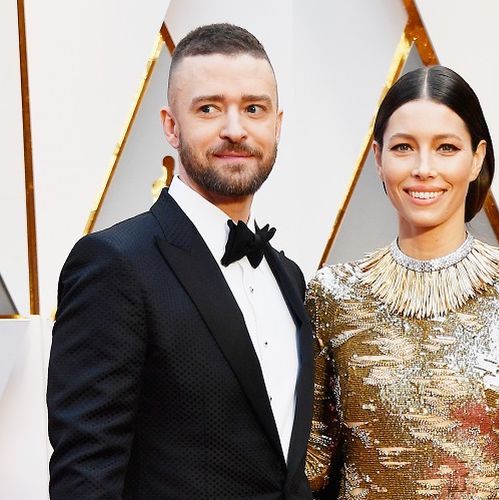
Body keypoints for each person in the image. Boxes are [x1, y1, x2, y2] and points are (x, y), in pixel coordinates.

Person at [47, 24, 313, 499]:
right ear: (171, 125)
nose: (235, 129)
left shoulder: (287, 276)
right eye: (209, 108)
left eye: (254, 108)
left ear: (277, 122)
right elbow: (85, 474)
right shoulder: (114, 263)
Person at [305, 66, 499, 499]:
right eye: (404, 148)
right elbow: (313, 460)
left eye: (446, 147)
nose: (424, 169)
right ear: (379, 159)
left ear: (477, 159)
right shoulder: (332, 296)